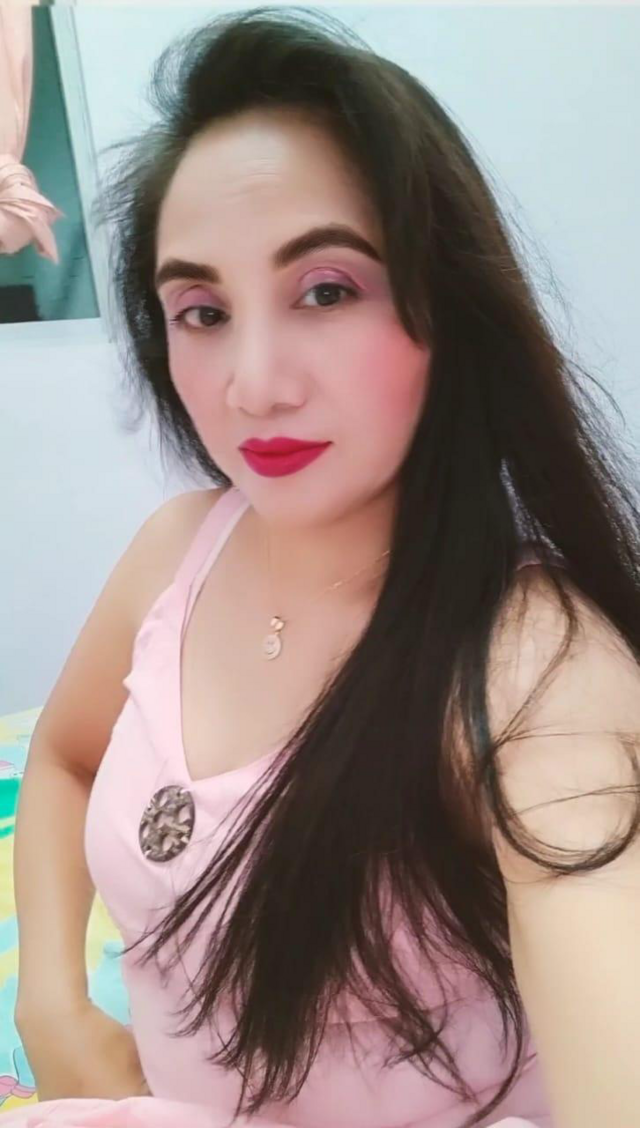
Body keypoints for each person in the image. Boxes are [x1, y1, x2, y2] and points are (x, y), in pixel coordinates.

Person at [10, 6, 640, 1128]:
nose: (252, 384)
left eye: (327, 291)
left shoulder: (532, 670)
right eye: (202, 310)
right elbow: (60, 763)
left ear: (448, 310)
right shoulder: (177, 549)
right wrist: (52, 1001)